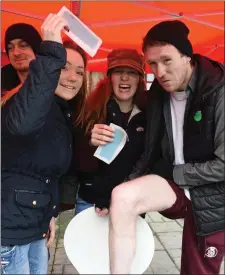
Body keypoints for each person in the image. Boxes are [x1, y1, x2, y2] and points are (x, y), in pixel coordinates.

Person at [106, 20, 224, 274]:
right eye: (152, 64)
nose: (159, 72)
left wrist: (177, 173)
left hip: (214, 194)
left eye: (166, 60)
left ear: (187, 57)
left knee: (196, 270)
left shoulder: (219, 89)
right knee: (122, 197)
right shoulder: (158, 92)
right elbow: (148, 150)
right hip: (174, 185)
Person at [1, 13, 88, 274]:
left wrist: (49, 215)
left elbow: (45, 174)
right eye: (63, 67)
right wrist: (51, 52)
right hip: (9, 232)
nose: (72, 77)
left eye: (80, 72)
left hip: (33, 226)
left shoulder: (60, 111)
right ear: (45, 68)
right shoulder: (28, 104)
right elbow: (23, 126)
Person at [62, 48, 146, 216]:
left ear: (139, 79)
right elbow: (77, 164)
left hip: (132, 204)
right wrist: (90, 144)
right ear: (109, 77)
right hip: (91, 203)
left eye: (132, 72)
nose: (124, 77)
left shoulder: (150, 114)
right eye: (118, 72)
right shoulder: (91, 111)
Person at [1, 23, 42, 96]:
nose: (16, 53)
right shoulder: (2, 79)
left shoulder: (52, 79)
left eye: (23, 45)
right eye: (10, 47)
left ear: (36, 49)